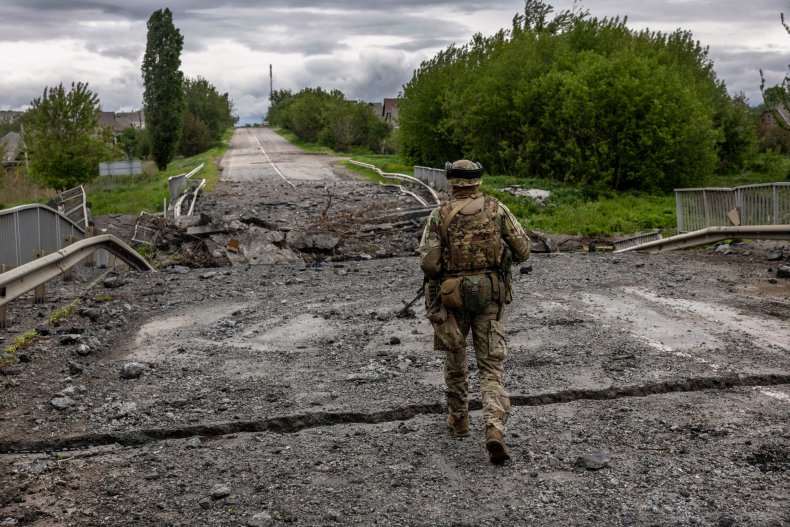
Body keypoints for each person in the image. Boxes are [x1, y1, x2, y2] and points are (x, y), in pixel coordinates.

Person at [419, 159, 531, 464]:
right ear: (477, 183)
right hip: (490, 298)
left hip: (452, 299)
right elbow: (523, 250)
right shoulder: (497, 209)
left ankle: (460, 421)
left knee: (455, 357)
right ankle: (494, 428)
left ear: (452, 183)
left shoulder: (439, 214)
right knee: (491, 367)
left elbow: (428, 264)